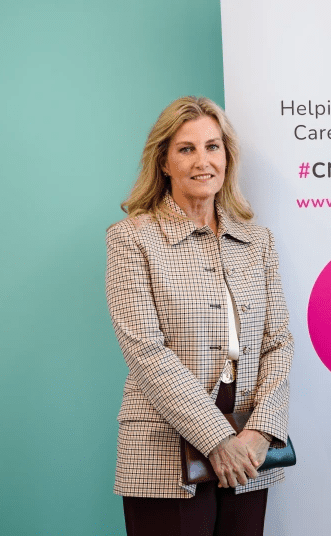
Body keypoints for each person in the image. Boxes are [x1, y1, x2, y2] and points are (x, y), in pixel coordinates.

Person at [106, 96, 293, 536]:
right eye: (186, 149)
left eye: (213, 147)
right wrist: (218, 439)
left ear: (227, 156)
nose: (202, 161)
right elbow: (146, 352)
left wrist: (260, 433)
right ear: (164, 162)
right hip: (165, 450)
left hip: (250, 449)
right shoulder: (131, 238)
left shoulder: (257, 240)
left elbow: (278, 342)